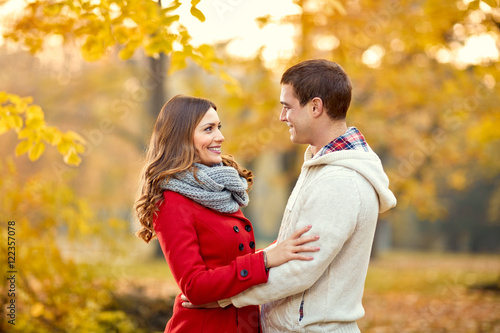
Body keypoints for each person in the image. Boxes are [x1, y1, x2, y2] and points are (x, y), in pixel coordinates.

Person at [183, 59, 397, 332]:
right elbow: (292, 250)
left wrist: (225, 298)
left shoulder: (340, 181)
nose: (282, 117)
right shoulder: (322, 167)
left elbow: (301, 269)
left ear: (315, 107)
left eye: (287, 107)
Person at [134, 95, 320, 333]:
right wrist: (264, 260)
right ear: (181, 137)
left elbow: (233, 260)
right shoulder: (171, 202)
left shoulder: (218, 188)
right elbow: (194, 286)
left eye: (218, 127)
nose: (220, 136)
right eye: (208, 129)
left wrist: (279, 248)